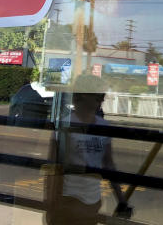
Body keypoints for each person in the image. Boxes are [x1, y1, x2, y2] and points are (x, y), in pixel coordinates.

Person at [45, 75, 131, 224]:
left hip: (93, 200)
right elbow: (52, 167)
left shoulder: (104, 127)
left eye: (102, 96)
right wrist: (50, 203)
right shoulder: (65, 124)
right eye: (98, 95)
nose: (102, 99)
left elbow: (109, 165)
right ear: (83, 95)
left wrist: (121, 200)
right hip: (68, 199)